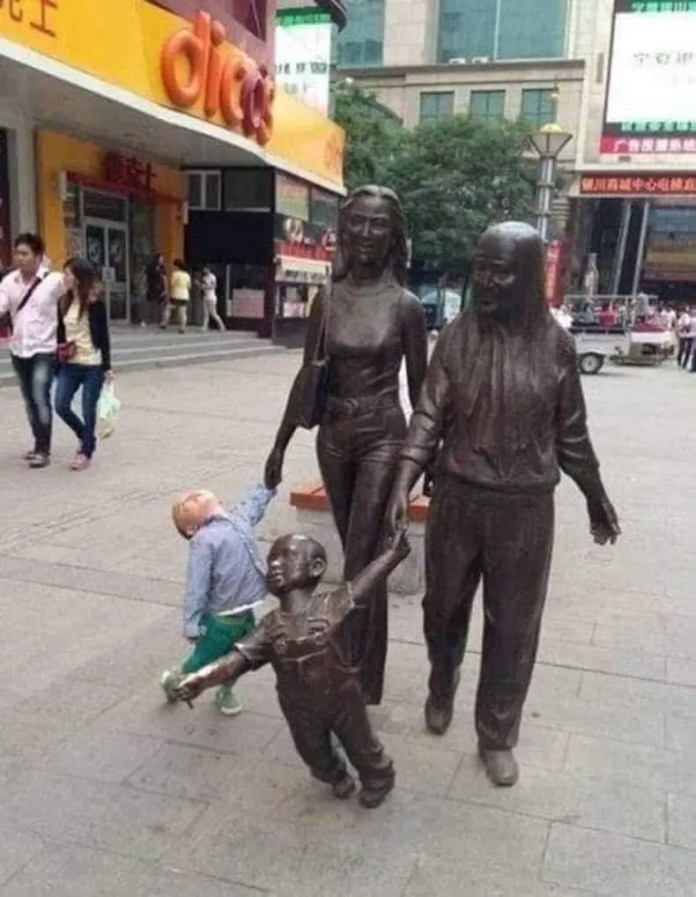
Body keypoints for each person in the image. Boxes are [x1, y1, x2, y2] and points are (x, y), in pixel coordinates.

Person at [387, 222, 620, 788]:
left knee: (513, 628)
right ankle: (442, 682)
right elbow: (427, 416)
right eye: (480, 266)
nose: (485, 280)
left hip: (524, 509)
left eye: (500, 270)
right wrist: (404, 479)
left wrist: (596, 498)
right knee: (441, 611)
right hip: (459, 501)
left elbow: (573, 436)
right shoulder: (459, 338)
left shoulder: (556, 346)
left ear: (530, 278)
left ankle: (496, 733)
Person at [264, 185, 428, 706]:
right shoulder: (328, 298)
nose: (365, 234)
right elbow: (306, 374)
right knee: (360, 553)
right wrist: (280, 445)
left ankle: (352, 671)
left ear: (393, 236)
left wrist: (428, 461)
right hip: (333, 438)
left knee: (360, 556)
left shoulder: (406, 307)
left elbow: (424, 394)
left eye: (378, 224)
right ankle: (363, 667)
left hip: (384, 434)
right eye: (357, 222)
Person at [173, 527, 411, 808]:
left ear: (317, 567)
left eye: (287, 556)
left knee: (363, 745)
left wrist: (394, 554)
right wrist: (202, 679)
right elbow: (235, 661)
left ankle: (378, 778)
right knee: (313, 752)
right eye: (271, 557)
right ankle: (334, 774)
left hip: (344, 699)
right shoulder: (269, 627)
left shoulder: (331, 605)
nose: (275, 563)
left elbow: (365, 583)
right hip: (298, 707)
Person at [160, 482, 276, 716]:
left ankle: (226, 690)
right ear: (192, 528)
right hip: (218, 621)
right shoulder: (203, 540)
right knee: (202, 660)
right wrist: (192, 622)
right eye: (185, 504)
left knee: (239, 661)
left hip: (245, 613)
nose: (191, 495)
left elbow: (253, 504)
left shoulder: (238, 519)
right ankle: (177, 680)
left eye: (192, 493)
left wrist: (268, 485)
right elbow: (197, 585)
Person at [0, 233, 65, 468]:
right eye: (17, 253)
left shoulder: (53, 280)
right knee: (29, 399)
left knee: (40, 395)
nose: (20, 258)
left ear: (38, 256)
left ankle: (43, 449)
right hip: (19, 349)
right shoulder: (9, 282)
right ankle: (38, 440)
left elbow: (75, 291)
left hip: (43, 349)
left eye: (25, 253)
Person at [54, 258, 112, 471]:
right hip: (70, 364)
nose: (65, 277)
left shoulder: (95, 303)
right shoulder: (63, 301)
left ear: (79, 278)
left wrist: (107, 366)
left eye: (68, 273)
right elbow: (61, 333)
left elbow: (104, 337)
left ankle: (85, 451)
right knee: (60, 405)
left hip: (92, 365)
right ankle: (85, 435)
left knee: (89, 410)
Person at [162, 258, 191, 333]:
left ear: (177, 266)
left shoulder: (175, 274)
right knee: (183, 312)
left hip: (176, 294)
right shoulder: (187, 275)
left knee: (168, 308)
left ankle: (164, 323)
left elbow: (172, 284)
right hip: (185, 295)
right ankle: (182, 327)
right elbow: (189, 286)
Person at [200, 265, 226, 331]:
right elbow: (203, 287)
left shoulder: (212, 277)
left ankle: (222, 326)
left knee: (213, 313)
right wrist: (200, 286)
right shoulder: (204, 278)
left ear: (208, 269)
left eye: (205, 269)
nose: (204, 270)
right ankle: (204, 327)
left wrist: (205, 287)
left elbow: (214, 286)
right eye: (204, 269)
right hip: (206, 297)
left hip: (211, 297)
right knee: (205, 313)